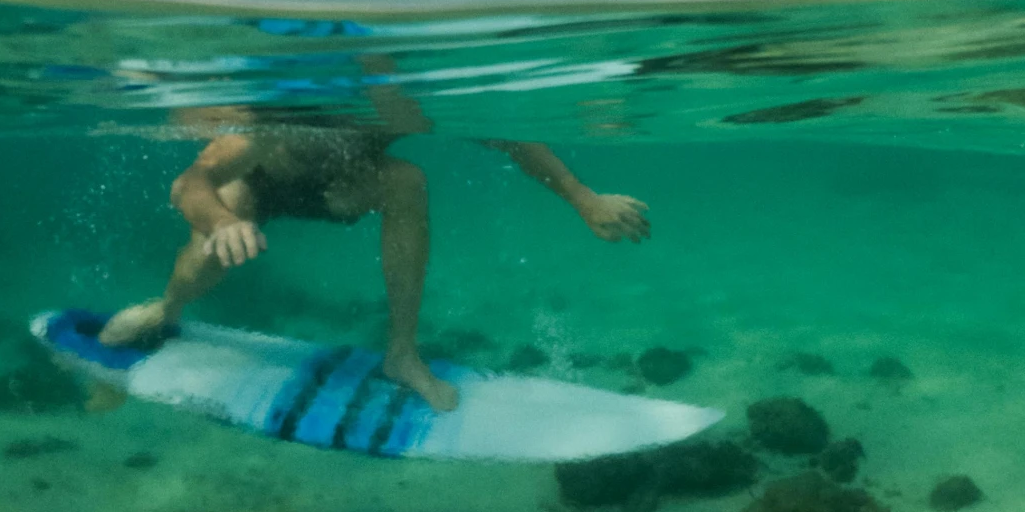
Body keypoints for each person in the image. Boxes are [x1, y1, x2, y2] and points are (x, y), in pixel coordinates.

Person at [98, 107, 649, 412]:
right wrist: (221, 223)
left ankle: (402, 354)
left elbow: (506, 134)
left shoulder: (401, 98)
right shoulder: (279, 110)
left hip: (344, 189)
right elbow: (190, 182)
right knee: (229, 211)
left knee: (407, 180)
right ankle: (167, 309)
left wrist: (584, 199)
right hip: (259, 192)